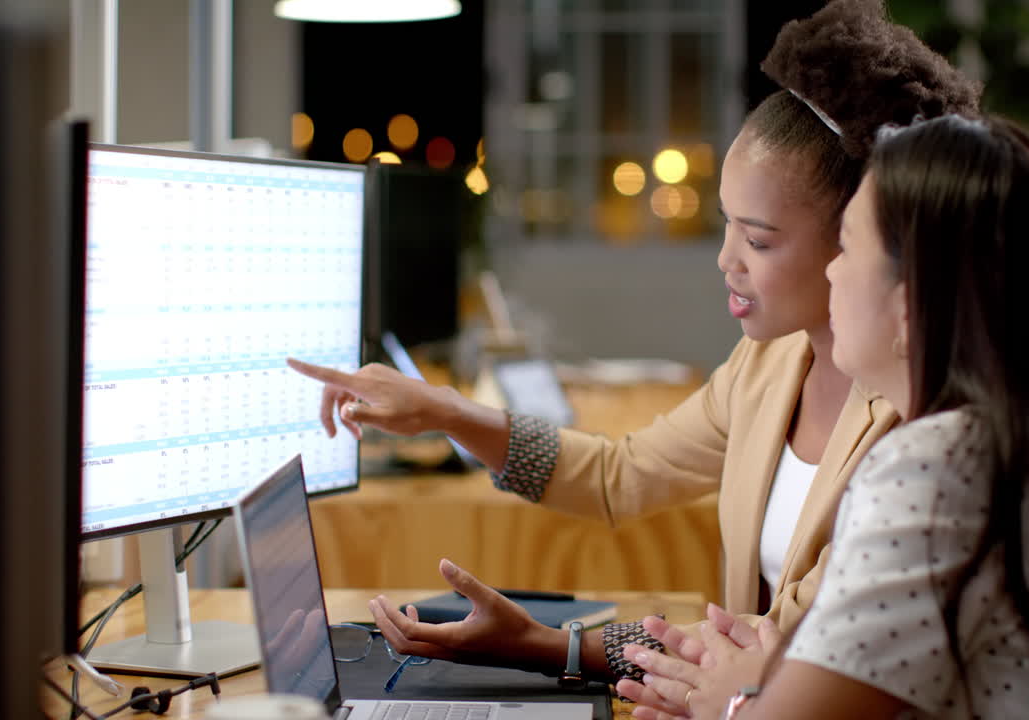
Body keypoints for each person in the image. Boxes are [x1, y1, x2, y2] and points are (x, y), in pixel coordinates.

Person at [289, 0, 978, 685]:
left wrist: (550, 646)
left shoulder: (917, 425)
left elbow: (784, 654)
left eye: (759, 239)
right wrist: (445, 412)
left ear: (863, 237)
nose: (726, 259)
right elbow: (621, 476)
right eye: (726, 224)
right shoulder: (770, 364)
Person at [622, 114, 1029, 719]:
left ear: (913, 302)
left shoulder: (944, 468)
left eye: (851, 244)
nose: (833, 268)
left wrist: (729, 706)